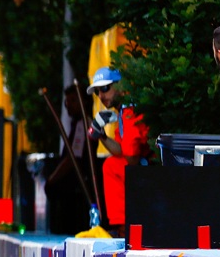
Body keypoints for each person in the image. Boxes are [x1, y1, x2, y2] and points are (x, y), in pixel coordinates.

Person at [88, 67, 150, 231]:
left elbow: (131, 157)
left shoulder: (130, 109)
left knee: (111, 166)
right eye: (97, 92)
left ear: (121, 86)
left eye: (105, 88)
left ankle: (124, 228)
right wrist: (100, 134)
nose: (101, 95)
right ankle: (121, 226)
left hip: (151, 167)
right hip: (143, 166)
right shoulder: (124, 110)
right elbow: (120, 150)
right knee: (111, 164)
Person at [44, 87, 92, 236]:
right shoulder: (77, 124)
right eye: (67, 101)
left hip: (76, 192)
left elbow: (73, 159)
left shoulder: (82, 124)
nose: (68, 105)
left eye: (73, 100)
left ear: (83, 102)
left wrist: (52, 180)